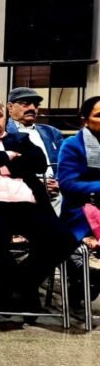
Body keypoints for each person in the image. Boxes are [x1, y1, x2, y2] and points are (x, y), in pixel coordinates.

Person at [0, 95, 77, 316]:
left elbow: (38, 162)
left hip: (28, 204)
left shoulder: (20, 139)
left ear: (5, 118)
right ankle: (14, 290)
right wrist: (9, 157)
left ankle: (21, 285)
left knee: (63, 239)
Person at [56, 96, 100, 307]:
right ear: (85, 120)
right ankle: (81, 276)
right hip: (82, 209)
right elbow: (68, 185)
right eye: (99, 115)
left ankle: (86, 277)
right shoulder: (72, 145)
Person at [5, 87, 64, 213]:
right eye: (25, 104)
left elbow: (64, 162)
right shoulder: (3, 133)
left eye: (36, 105)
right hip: (20, 193)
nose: (32, 108)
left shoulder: (52, 132)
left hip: (55, 193)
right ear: (10, 107)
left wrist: (59, 182)